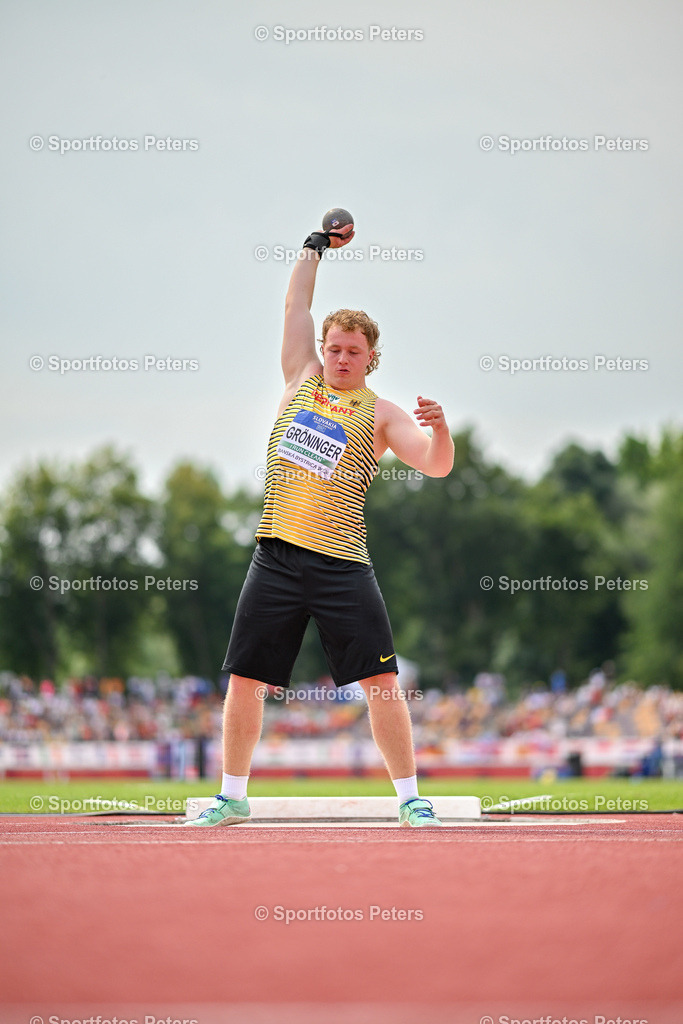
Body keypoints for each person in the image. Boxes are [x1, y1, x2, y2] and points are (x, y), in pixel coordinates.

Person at [187, 217, 454, 828]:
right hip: (275, 554)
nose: (338, 357)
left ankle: (410, 797)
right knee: (246, 678)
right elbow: (295, 305)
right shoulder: (299, 379)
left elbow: (436, 467)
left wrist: (441, 428)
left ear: (370, 358)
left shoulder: (383, 414)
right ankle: (231, 796)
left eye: (352, 351)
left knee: (381, 682)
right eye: (332, 347)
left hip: (342, 562)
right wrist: (313, 249)